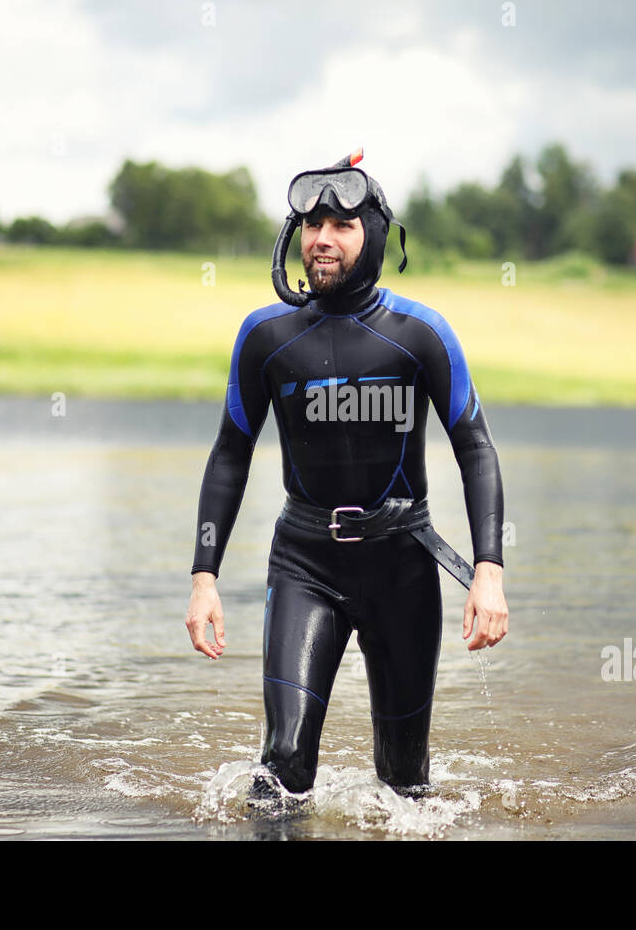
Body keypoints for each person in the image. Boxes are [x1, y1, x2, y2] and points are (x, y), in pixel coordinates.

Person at [185, 152, 507, 797]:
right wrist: (204, 579)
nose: (323, 240)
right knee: (282, 769)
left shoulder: (420, 333)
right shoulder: (264, 336)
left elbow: (474, 446)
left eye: (343, 225)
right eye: (312, 225)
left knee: (405, 787)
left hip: (403, 567)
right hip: (304, 563)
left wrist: (489, 572)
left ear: (376, 237)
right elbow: (229, 454)